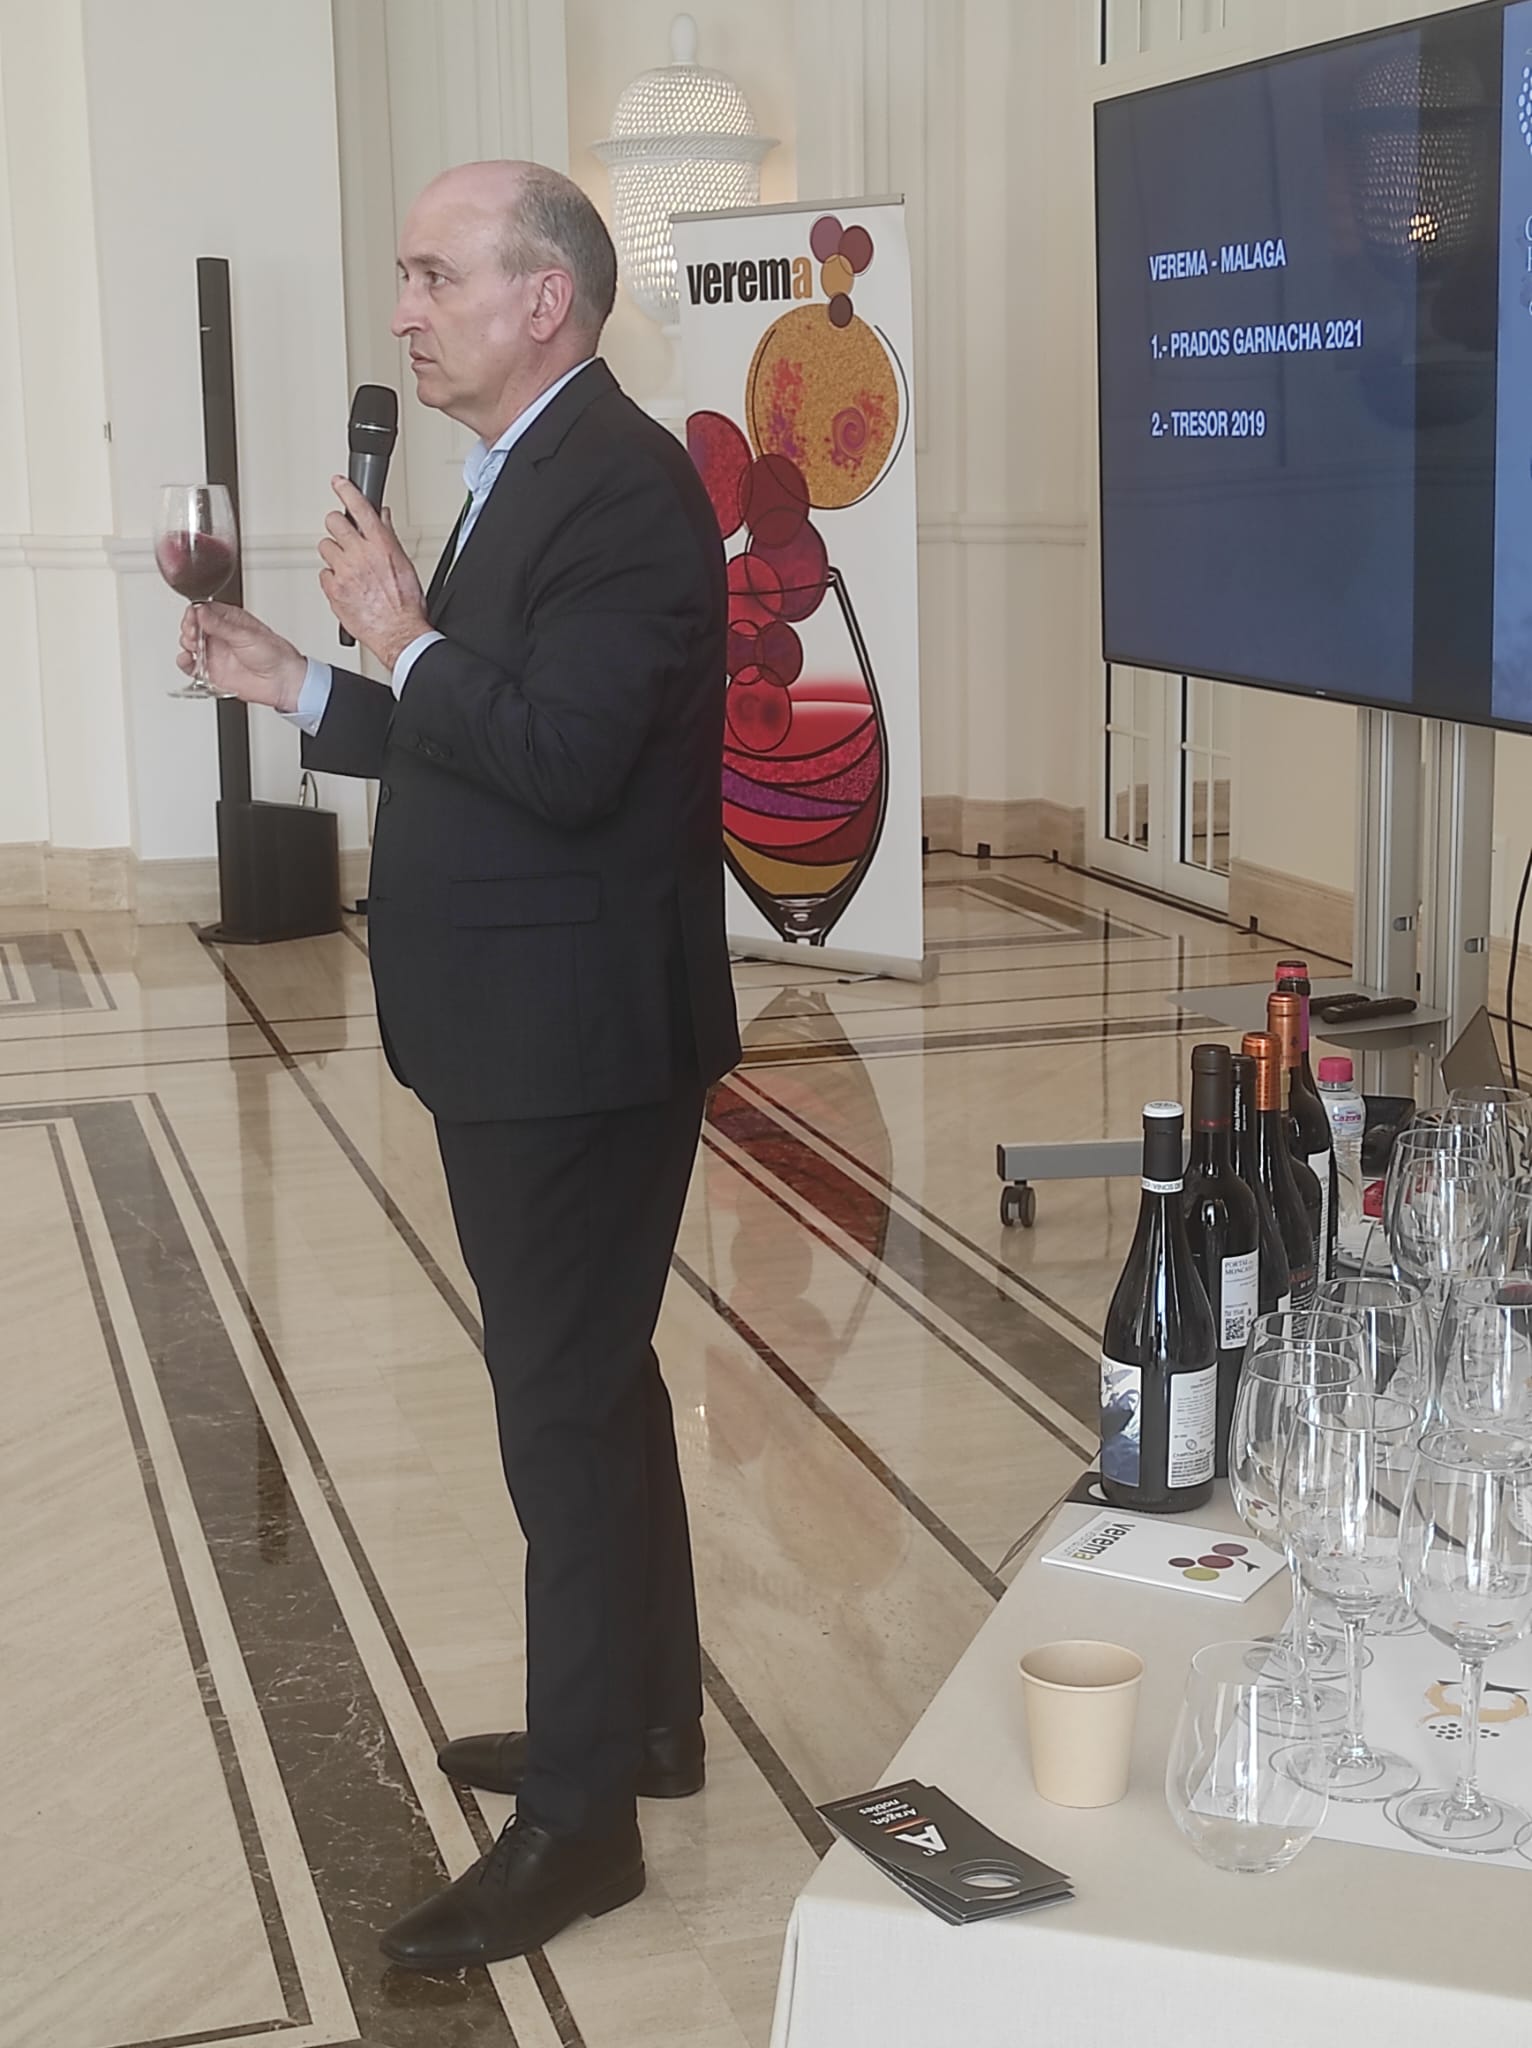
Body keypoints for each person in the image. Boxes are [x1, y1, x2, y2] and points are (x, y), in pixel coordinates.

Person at [180, 160, 739, 1969]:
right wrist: (298, 677)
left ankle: (580, 1824)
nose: (405, 312)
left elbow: (563, 759)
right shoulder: (523, 471)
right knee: (597, 1383)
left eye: (435, 278)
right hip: (527, 1017)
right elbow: (469, 740)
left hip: (578, 1037)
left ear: (543, 301)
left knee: (557, 1411)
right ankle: (645, 1721)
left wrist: (402, 632)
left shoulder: (622, 489)